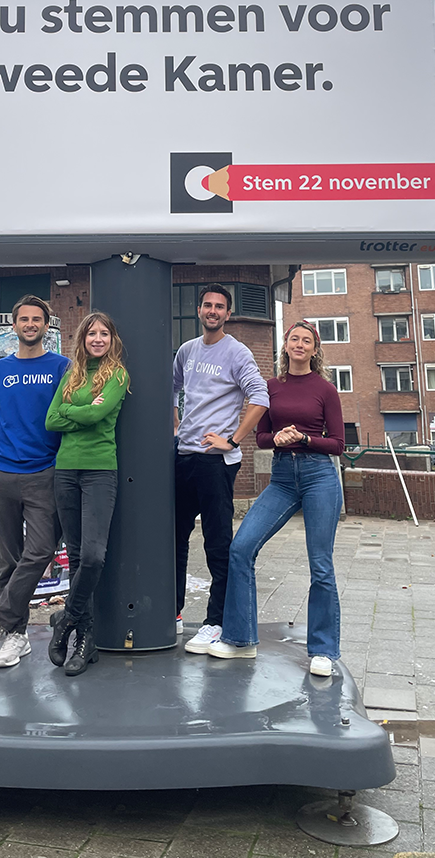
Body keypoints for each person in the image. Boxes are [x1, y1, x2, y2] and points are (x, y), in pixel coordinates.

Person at [207, 319, 345, 675]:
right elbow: (263, 436)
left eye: (306, 341)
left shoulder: (325, 389)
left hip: (319, 477)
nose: (299, 345)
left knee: (321, 564)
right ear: (285, 346)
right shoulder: (271, 387)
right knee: (241, 548)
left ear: (315, 349)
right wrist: (280, 438)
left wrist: (304, 439)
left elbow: (339, 444)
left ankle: (324, 651)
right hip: (282, 478)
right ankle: (240, 640)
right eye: (293, 339)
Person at [0, 296, 69, 669]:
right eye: (24, 319)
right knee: (7, 560)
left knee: (42, 550)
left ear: (47, 325)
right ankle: (16, 636)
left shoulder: (62, 367)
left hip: (43, 473)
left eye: (37, 319)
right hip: (0, 472)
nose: (30, 324)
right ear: (14, 326)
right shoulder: (0, 370)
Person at [174, 284, 270, 655]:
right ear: (199, 310)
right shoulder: (187, 351)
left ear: (227, 314)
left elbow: (259, 396)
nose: (213, 311)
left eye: (220, 307)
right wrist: (175, 426)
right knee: (175, 540)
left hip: (217, 462)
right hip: (183, 457)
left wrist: (232, 440)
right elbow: (172, 387)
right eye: (208, 305)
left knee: (217, 544)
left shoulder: (237, 352)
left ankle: (215, 622)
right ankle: (175, 611)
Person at [45, 312, 129, 675]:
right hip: (65, 470)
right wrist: (82, 409)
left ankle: (65, 621)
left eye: (104, 333)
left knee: (94, 556)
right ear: (82, 338)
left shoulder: (119, 375)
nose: (97, 339)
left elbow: (99, 417)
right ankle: (86, 639)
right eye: (91, 333)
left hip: (99, 471)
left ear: (112, 339)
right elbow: (51, 420)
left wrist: (71, 410)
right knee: (76, 558)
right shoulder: (72, 374)